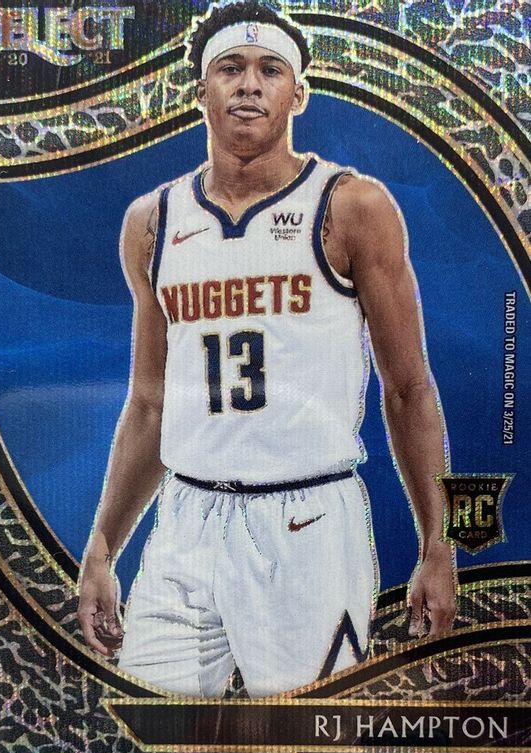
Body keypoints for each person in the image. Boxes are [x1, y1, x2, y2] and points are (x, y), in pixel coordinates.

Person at [78, 0, 456, 698]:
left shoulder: (351, 206)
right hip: (187, 519)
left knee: (308, 744)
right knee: (153, 733)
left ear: (297, 93)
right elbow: (150, 403)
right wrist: (103, 544)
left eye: (269, 69)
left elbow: (410, 390)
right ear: (201, 90)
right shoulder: (152, 221)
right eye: (230, 67)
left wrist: (439, 544)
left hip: (307, 520)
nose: (249, 84)